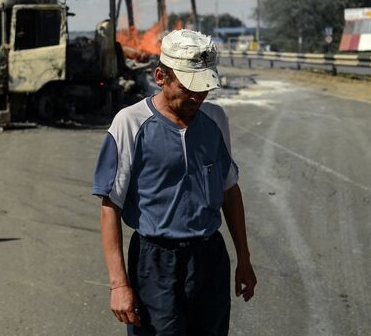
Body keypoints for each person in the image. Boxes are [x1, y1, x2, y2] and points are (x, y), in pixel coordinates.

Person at [93, 29, 257, 335]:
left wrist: (244, 260)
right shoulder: (129, 123)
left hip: (209, 259)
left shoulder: (216, 120)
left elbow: (230, 191)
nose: (197, 97)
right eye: (188, 88)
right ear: (160, 76)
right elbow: (110, 206)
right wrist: (119, 284)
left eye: (203, 88)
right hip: (155, 263)